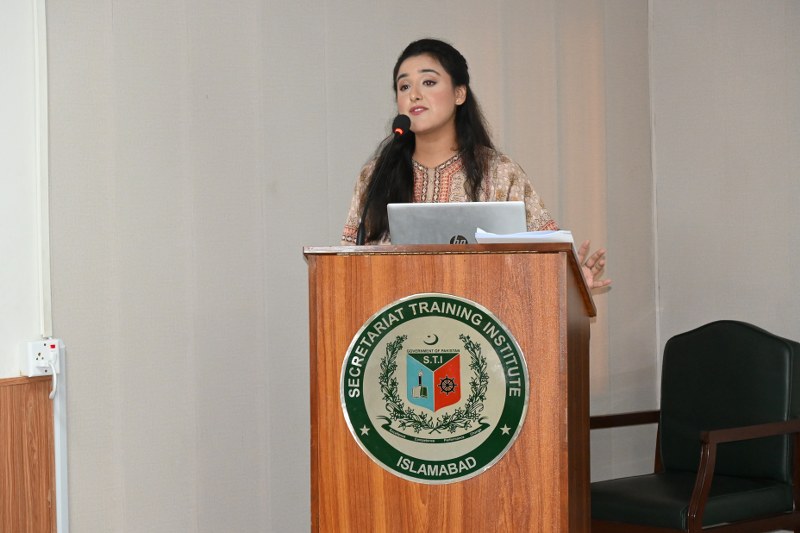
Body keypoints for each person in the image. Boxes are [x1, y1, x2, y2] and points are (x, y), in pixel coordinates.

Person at [341, 38, 610, 290]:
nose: (414, 95)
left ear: (459, 94)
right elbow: (347, 264)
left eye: (429, 82)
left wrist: (571, 280)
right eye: (404, 87)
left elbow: (541, 257)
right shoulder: (376, 175)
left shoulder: (500, 172)